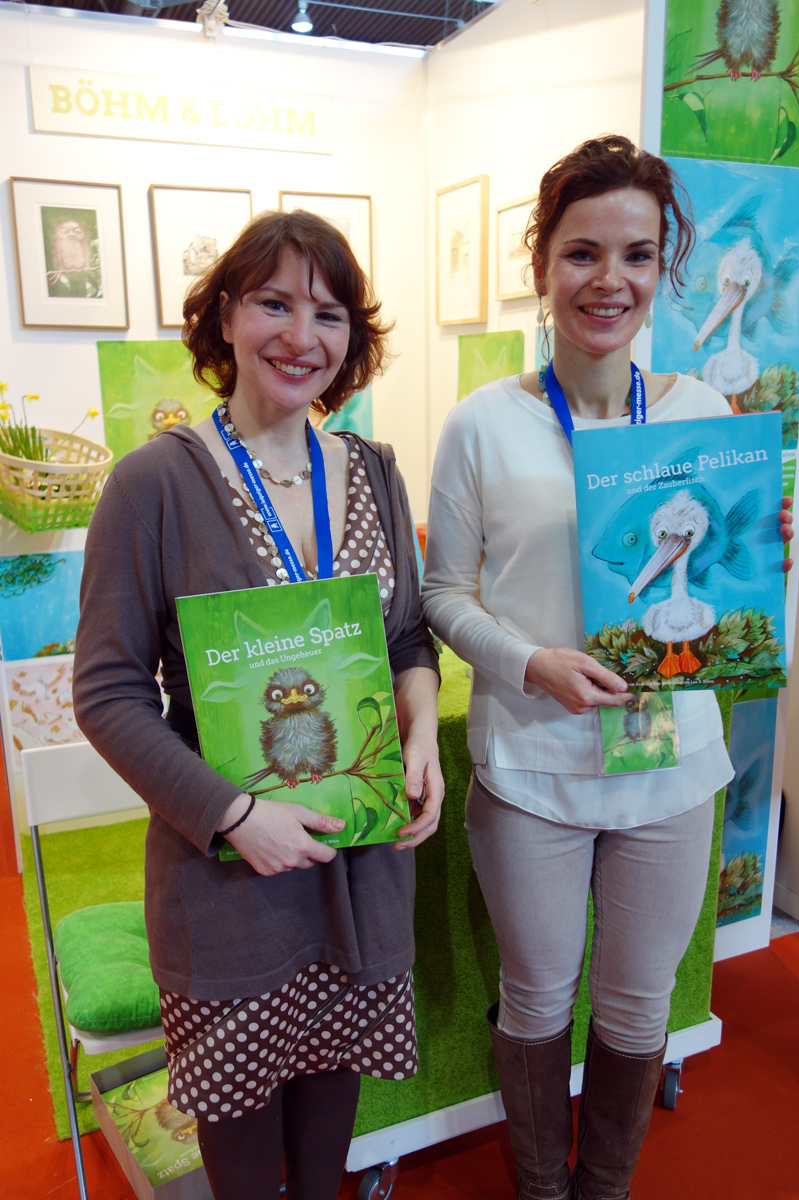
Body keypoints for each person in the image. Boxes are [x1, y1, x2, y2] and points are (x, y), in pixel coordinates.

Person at [421, 135, 793, 1200]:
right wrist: (528, 661)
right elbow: (443, 594)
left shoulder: (705, 416)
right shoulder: (483, 425)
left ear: (663, 267)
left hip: (669, 771)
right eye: (581, 252)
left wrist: (759, 558)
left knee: (636, 1007)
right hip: (533, 766)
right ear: (541, 262)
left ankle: (604, 1186)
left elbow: (723, 575)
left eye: (636, 255)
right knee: (537, 998)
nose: (608, 280)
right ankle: (543, 1186)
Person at [73, 210, 444, 1200]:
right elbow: (106, 692)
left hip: (360, 863)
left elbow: (407, 638)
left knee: (330, 1104)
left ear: (352, 339)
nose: (301, 336)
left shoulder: (373, 471)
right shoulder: (152, 485)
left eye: (329, 314)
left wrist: (421, 736)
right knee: (238, 1134)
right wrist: (235, 815)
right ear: (228, 316)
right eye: (275, 304)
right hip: (229, 880)